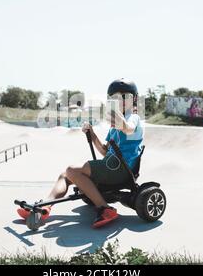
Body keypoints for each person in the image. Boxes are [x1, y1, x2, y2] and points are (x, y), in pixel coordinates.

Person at [17, 79, 144, 228]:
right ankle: (45, 206)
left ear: (134, 98)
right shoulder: (113, 127)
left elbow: (129, 128)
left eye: (125, 96)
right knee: (65, 175)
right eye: (116, 97)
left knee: (72, 170)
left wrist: (122, 124)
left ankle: (106, 209)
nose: (121, 100)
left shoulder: (133, 118)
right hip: (110, 166)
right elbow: (104, 151)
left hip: (121, 170)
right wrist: (92, 134)